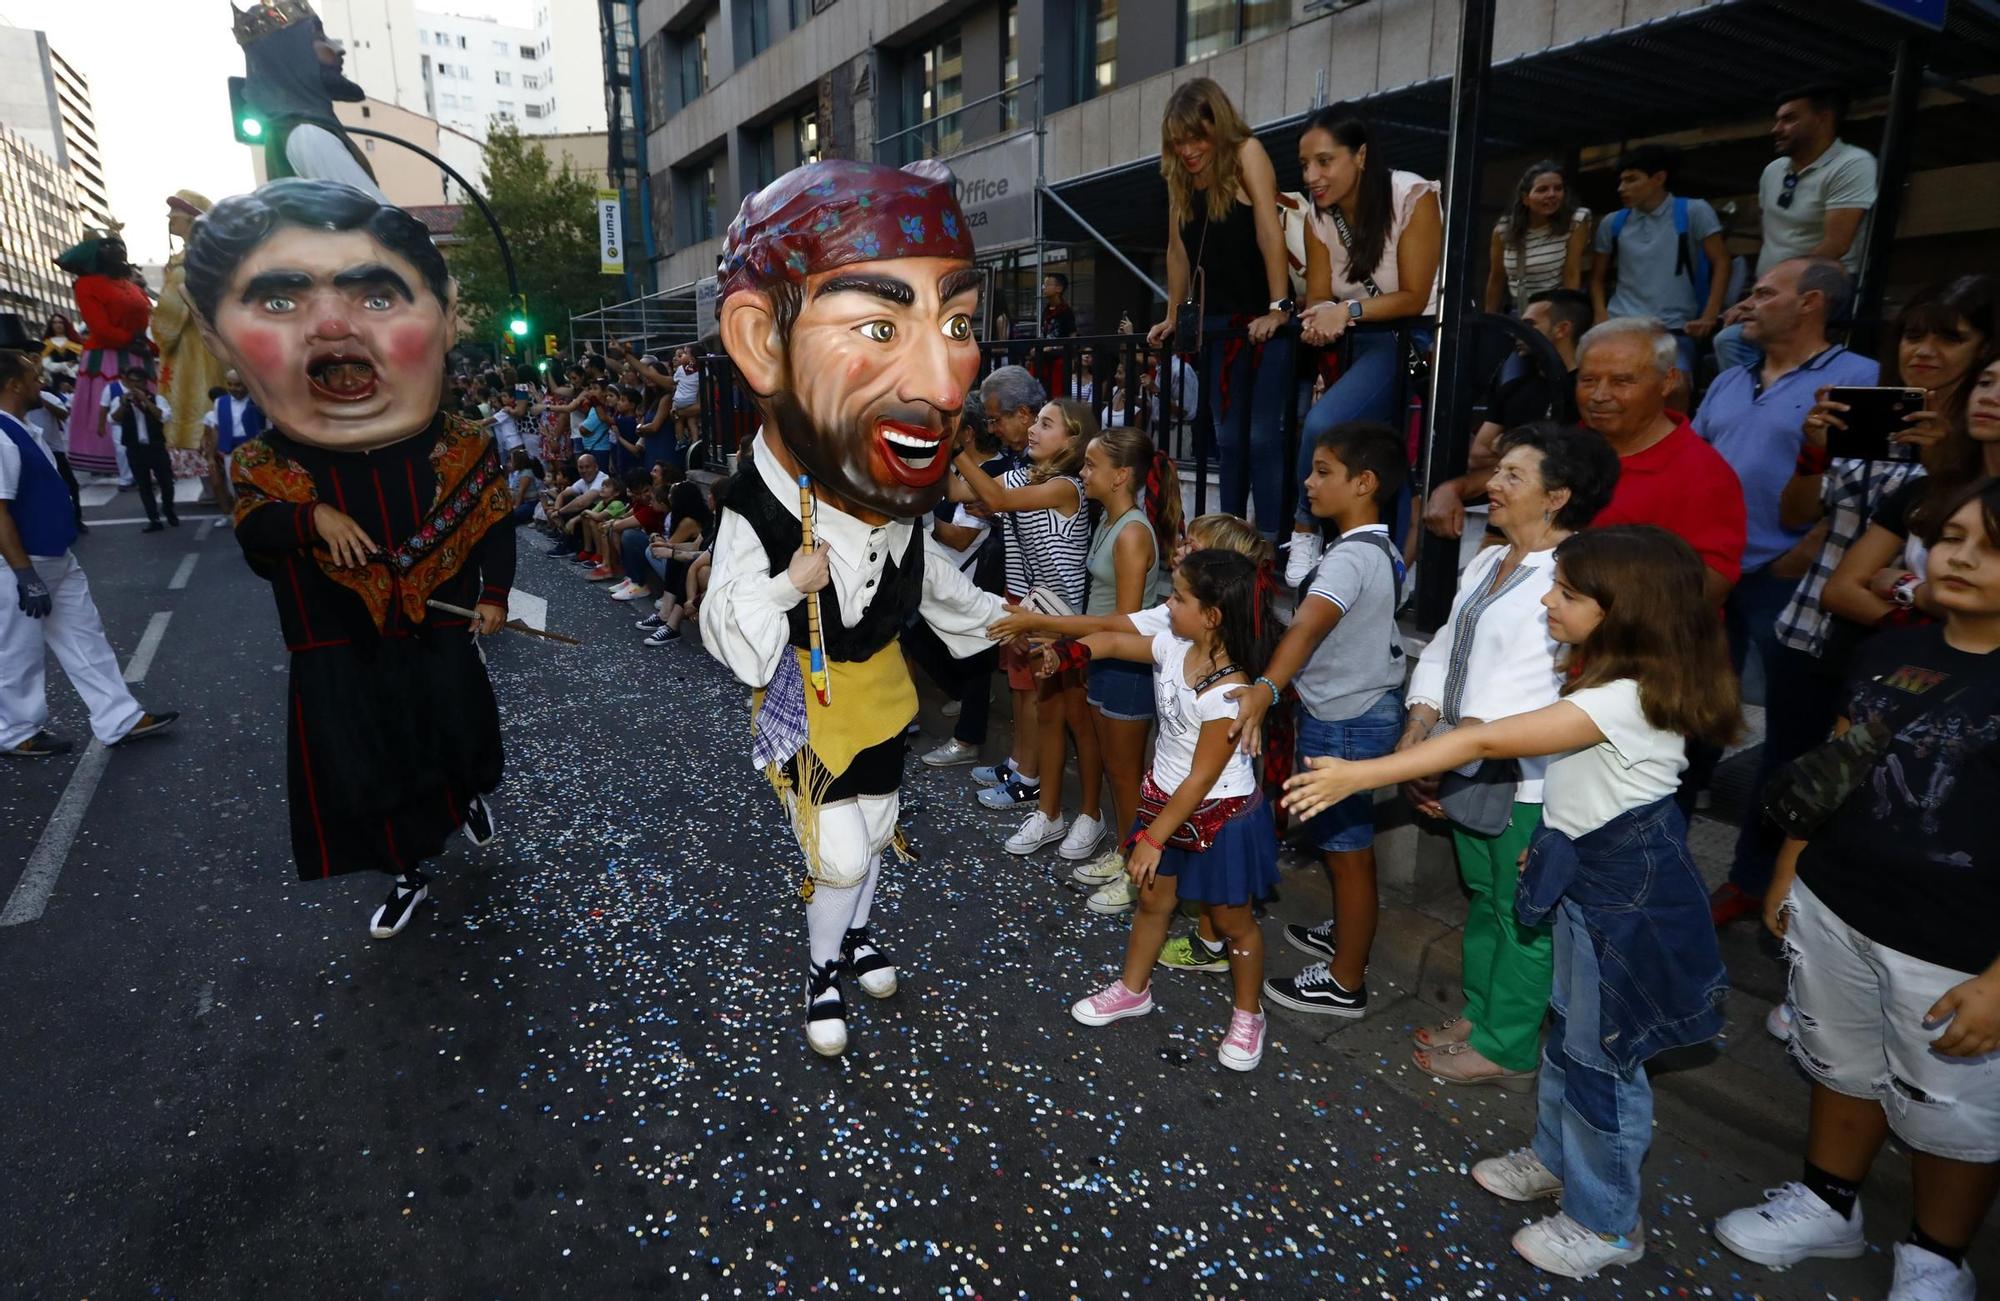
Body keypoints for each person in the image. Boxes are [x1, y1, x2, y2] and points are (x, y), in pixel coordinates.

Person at [1284, 525, 1737, 1281]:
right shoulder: (1605, 677)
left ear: (1622, 607)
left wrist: (1362, 775)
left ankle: (1606, 1221)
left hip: (1624, 897)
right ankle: (1559, 1160)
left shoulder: (1628, 694)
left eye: (1565, 592)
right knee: (1568, 1038)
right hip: (1583, 869)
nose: (1548, 602)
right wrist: (1552, 837)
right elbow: (1588, 786)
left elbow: (1487, 742)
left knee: (1604, 1060)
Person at [698, 158, 1008, 1058]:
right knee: (834, 851)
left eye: (957, 323)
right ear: (761, 341)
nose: (947, 387)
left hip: (882, 699)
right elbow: (731, 627)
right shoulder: (757, 504)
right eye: (880, 323)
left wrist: (1012, 620)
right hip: (815, 706)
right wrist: (789, 584)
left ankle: (858, 935)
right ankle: (820, 967)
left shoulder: (892, 493)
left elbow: (936, 585)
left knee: (875, 826)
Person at [185, 178, 515, 939]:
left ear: (447, 315)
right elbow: (255, 537)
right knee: (371, 771)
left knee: (459, 736)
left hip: (438, 635)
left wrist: (495, 592)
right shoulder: (265, 467)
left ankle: (465, 795)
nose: (332, 327)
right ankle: (408, 872)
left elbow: (497, 523)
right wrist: (310, 517)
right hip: (338, 651)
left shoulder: (463, 446)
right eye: (279, 300)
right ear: (217, 337)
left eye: (374, 297)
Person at [1714, 477, 2000, 1301]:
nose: (1961, 556)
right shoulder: (1886, 649)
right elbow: (1833, 771)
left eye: (1989, 543)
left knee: (1954, 1109)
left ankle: (1939, 1253)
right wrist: (1788, 867)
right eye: (1949, 537)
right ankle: (1827, 1201)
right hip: (1838, 903)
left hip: (1958, 947)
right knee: (1841, 1064)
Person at [1388, 422, 1623, 1086]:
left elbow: (1531, 686)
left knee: (1524, 916)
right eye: (1498, 472)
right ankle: (1483, 1012)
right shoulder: (1488, 560)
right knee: (1487, 898)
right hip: (1462, 760)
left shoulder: (1578, 578)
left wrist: (1437, 754)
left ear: (1558, 496)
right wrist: (1419, 724)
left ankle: (1510, 1045)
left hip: (1529, 782)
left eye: (1513, 476)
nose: (1491, 484)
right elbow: (1442, 648)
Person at [1766, 278, 1994, 871]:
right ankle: (1757, 882)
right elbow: (1797, 519)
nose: (1925, 350)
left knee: (1891, 792)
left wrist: (1903, 592)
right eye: (1914, 335)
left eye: (1951, 338)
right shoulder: (1869, 412)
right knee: (1788, 769)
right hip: (1813, 628)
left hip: (1921, 661)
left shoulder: (1978, 445)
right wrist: (1813, 451)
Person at [1690, 257, 1878, 918]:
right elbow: (1696, 462)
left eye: (1767, 291)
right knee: (1693, 716)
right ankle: (1666, 857)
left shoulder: (1859, 380)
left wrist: (1808, 547)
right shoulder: (1730, 379)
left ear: (1812, 304)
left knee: (1787, 735)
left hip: (1786, 579)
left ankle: (1754, 878)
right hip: (1712, 571)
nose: (1750, 301)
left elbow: (1867, 489)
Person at [1068, 549, 1282, 1071]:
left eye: (1179, 597)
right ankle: (1132, 989)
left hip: (1217, 817)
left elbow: (1204, 777)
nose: (1168, 602)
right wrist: (1071, 654)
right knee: (1152, 904)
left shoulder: (1230, 691)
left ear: (1211, 616)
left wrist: (1153, 836)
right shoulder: (1175, 646)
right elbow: (1117, 640)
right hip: (1166, 802)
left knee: (1235, 923)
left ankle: (1249, 1015)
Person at [1225, 422, 1407, 1018]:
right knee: (1341, 846)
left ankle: (1345, 980)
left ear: (1365, 483)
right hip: (1359, 709)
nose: (1308, 481)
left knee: (1349, 853)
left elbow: (1307, 627)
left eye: (1324, 471)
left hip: (1348, 720)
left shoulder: (1350, 559)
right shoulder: (1377, 547)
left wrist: (1266, 689)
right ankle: (1346, 934)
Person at [0, 327, 176, 759]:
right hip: (21, 564)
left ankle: (119, 717)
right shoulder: (1, 436)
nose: (40, 381)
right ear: (12, 385)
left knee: (86, 637)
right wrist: (24, 574)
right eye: (33, 376)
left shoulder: (21, 427)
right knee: (18, 649)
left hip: (55, 556)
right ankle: (14, 730)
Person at [1287, 107, 1442, 581]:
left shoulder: (1412, 195)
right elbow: (1317, 292)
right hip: (1357, 344)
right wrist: (1318, 317)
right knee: (1382, 465)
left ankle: (1304, 526)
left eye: (1325, 161)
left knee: (1325, 425)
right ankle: (1388, 574)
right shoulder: (1318, 215)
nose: (1312, 176)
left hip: (1410, 339)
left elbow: (1415, 296)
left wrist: (1345, 311)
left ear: (1361, 155)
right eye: (1305, 164)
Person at [950, 400, 1104, 856]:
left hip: (1061, 618)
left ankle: (1058, 802)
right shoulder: (1027, 476)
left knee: (1063, 713)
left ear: (1071, 442)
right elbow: (960, 493)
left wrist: (957, 447)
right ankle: (1037, 793)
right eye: (1035, 421)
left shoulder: (1064, 486)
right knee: (1039, 705)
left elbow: (993, 500)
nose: (1034, 429)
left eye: (1046, 424)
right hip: (1031, 607)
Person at [1146, 79, 1294, 534]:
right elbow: (1176, 250)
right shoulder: (1179, 176)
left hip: (1263, 320)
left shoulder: (1247, 152)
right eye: (1180, 141)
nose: (1188, 150)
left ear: (1218, 127)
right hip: (1216, 326)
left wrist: (1279, 307)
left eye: (1198, 137)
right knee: (1229, 439)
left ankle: (1271, 537)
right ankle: (1232, 535)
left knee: (1262, 436)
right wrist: (1172, 314)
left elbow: (1270, 232)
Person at [1058, 426, 1182, 905]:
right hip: (1104, 660)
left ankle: (1138, 872)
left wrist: (1068, 637)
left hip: (1128, 669)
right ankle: (1126, 847)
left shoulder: (1131, 533)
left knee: (1127, 772)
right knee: (1115, 766)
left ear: (1121, 476)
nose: (1083, 473)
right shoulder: (1109, 521)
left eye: (1091, 465)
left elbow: (1128, 623)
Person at [1824, 352, 2000, 635]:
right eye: (1985, 383)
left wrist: (1909, 588)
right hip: (1909, 665)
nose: (1990, 397)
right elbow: (1839, 591)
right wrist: (1925, 637)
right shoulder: (1928, 489)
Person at [1581, 319, 1746, 608]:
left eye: (1621, 381)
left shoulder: (1703, 473)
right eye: (1588, 380)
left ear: (1668, 382)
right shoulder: (1567, 443)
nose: (1599, 395)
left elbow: (1711, 584)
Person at [1713, 86, 1879, 372]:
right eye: (1777, 120)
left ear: (1823, 119)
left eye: (1789, 119)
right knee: (1730, 338)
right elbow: (1773, 237)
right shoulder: (1773, 171)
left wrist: (1763, 297)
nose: (1776, 128)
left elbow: (1836, 245)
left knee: (1731, 340)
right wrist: (1756, 295)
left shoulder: (1852, 164)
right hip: (1773, 289)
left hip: (1819, 287)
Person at [1423, 287, 1590, 542]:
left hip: (1568, 519)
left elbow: (1573, 460)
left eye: (1530, 324)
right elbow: (1478, 455)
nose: (1518, 333)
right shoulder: (1515, 389)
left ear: (1562, 329)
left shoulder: (1588, 392)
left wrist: (1507, 444)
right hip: (1507, 518)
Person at [957, 365, 1051, 798]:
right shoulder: (1021, 461)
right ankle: (1018, 762)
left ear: (1026, 415)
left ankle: (1030, 777)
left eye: (996, 419)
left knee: (1033, 686)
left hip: (1046, 596)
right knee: (1018, 681)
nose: (992, 428)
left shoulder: (1048, 468)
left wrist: (956, 451)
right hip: (1021, 586)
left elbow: (988, 495)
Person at [1588, 145, 1729, 381]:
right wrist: (1600, 315)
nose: (1622, 188)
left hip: (1673, 327)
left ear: (1659, 178)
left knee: (1676, 385)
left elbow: (1722, 261)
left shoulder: (1694, 211)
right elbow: (1597, 278)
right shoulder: (1613, 223)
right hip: (1620, 323)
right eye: (1621, 181)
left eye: (1632, 179)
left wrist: (1710, 314)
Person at [233, 0, 385, 199]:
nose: (337, 49)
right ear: (293, 55)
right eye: (319, 37)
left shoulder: (292, 133)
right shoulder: (307, 135)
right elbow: (383, 220)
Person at [55, 229, 152, 481]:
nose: (119, 249)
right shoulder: (86, 284)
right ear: (97, 254)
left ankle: (150, 455)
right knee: (110, 404)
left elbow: (147, 315)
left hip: (137, 352)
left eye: (120, 244)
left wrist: (148, 345)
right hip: (108, 355)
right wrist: (132, 340)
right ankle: (112, 459)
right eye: (110, 245)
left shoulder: (129, 284)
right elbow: (98, 325)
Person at [1484, 160, 1590, 314]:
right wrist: (1488, 318)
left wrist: (1568, 316)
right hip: (1519, 310)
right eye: (1542, 190)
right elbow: (1496, 278)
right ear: (1525, 198)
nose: (1552, 195)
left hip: (1554, 311)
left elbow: (1572, 273)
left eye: (1558, 189)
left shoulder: (1576, 221)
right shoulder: (1504, 229)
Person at [107, 364, 177, 532]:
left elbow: (163, 417)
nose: (134, 386)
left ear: (145, 383)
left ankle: (168, 508)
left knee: (167, 483)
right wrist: (124, 405)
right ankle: (153, 519)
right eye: (131, 382)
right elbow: (113, 419)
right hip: (135, 449)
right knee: (144, 486)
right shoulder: (120, 400)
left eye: (138, 382)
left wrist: (145, 401)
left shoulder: (158, 399)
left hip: (156, 447)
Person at [201, 370, 266, 514]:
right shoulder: (220, 402)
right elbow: (216, 430)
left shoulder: (259, 400)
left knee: (257, 486)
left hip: (255, 451)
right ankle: (240, 517)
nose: (233, 388)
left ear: (247, 384)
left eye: (238, 385)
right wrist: (211, 457)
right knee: (233, 486)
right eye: (230, 384)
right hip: (230, 451)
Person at [505, 447, 541, 526]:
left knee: (511, 516)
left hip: (531, 503)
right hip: (525, 502)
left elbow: (521, 492)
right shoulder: (520, 472)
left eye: (512, 460)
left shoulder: (526, 474)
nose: (511, 462)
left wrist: (516, 507)